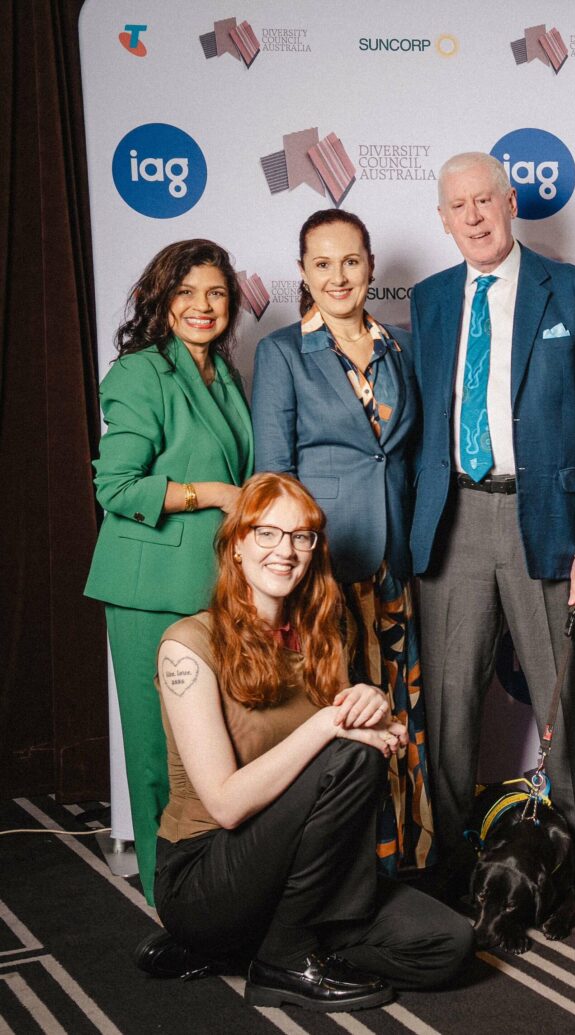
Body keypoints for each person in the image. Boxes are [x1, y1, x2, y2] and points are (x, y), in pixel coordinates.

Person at [137, 473, 470, 1011]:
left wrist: (373, 706)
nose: (285, 550)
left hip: (303, 875)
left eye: (301, 537)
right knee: (351, 755)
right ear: (237, 545)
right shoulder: (188, 645)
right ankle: (282, 959)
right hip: (207, 874)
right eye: (266, 533)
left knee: (447, 945)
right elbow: (225, 804)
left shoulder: (322, 639)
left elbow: (344, 754)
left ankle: (248, 944)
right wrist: (333, 726)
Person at [409, 151, 575, 907]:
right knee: (450, 700)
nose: (473, 216)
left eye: (485, 200)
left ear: (511, 203)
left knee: (561, 691)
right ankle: (450, 854)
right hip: (453, 518)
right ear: (443, 219)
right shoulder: (429, 299)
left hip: (548, 519)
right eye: (458, 205)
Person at [252, 209, 432, 874]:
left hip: (394, 565)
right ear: (302, 272)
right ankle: (348, 870)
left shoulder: (403, 345)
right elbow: (273, 476)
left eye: (351, 261)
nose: (338, 276)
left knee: (399, 707)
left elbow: (410, 457)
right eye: (322, 263)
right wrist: (294, 562)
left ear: (371, 266)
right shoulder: (280, 352)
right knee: (338, 712)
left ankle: (408, 855)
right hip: (322, 567)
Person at [84, 240, 254, 905]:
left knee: (212, 746)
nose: (202, 306)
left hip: (213, 586)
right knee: (159, 751)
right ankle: (166, 895)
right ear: (162, 299)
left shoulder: (222, 374)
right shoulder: (141, 373)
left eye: (216, 293)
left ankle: (209, 881)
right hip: (148, 590)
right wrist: (211, 493)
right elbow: (117, 486)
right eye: (186, 292)